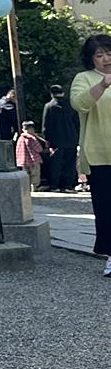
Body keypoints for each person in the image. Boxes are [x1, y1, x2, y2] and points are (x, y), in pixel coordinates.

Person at [69, 34, 111, 276]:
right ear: (91, 59)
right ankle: (110, 256)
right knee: (106, 208)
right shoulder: (83, 79)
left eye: (108, 52)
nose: (105, 58)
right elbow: (79, 104)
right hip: (99, 153)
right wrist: (102, 84)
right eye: (99, 54)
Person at [42, 84, 80, 192]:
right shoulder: (71, 105)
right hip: (71, 138)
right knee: (70, 163)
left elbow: (46, 125)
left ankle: (55, 186)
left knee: (56, 164)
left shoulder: (49, 106)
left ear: (51, 94)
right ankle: (68, 185)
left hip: (56, 140)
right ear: (63, 93)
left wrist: (47, 140)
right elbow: (77, 122)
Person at [14, 120, 48, 191]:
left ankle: (27, 187)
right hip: (34, 160)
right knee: (35, 175)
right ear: (31, 129)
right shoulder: (32, 138)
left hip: (23, 160)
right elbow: (38, 149)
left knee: (26, 175)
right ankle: (34, 187)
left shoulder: (20, 138)